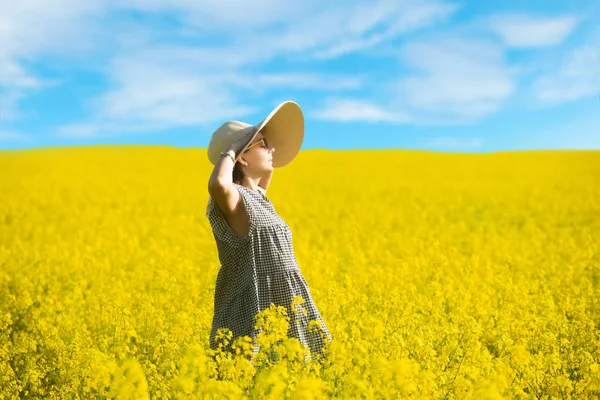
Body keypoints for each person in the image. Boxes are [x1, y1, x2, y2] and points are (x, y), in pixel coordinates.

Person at [205, 101, 332, 363]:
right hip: (254, 303)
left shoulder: (259, 198)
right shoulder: (234, 200)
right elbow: (218, 183)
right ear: (241, 157)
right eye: (263, 144)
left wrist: (258, 146)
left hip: (287, 299)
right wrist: (231, 149)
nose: (271, 148)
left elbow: (260, 182)